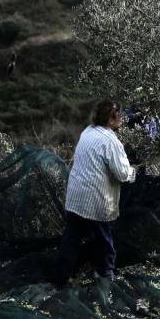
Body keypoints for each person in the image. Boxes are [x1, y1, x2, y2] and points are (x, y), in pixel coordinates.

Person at [54, 100, 137, 287]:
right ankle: (106, 281)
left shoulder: (88, 132)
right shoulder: (111, 141)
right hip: (96, 199)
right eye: (119, 114)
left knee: (71, 238)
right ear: (110, 118)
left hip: (76, 195)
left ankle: (61, 278)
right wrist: (134, 172)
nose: (122, 117)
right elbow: (123, 174)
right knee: (104, 241)